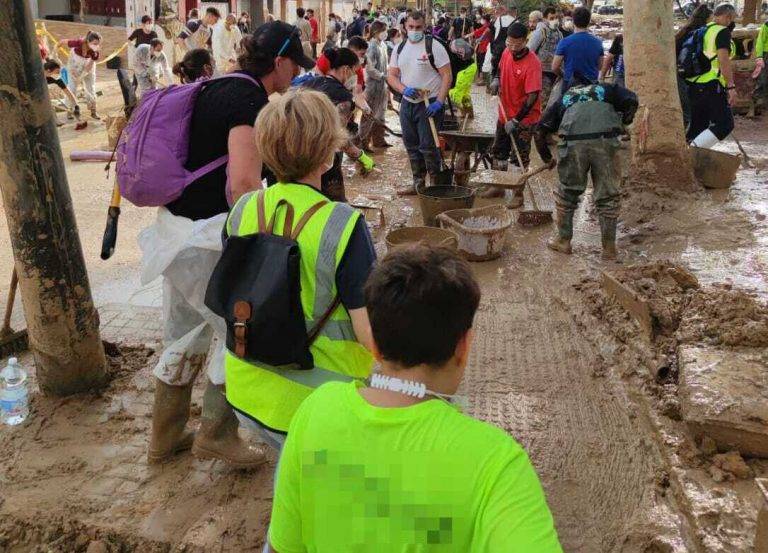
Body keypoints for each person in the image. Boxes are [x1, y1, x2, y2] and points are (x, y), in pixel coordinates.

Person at [265, 245, 563, 553]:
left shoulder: (315, 409)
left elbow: (280, 547)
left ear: (375, 346)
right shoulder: (497, 464)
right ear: (463, 347)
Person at [142, 21, 315, 468]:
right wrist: (258, 247)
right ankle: (216, 435)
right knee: (234, 330)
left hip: (174, 231)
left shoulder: (215, 84)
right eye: (295, 65)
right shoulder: (249, 100)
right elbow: (241, 186)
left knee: (183, 332)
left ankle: (165, 437)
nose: (296, 75)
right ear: (278, 61)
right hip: (207, 241)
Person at [223, 88, 376, 451]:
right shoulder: (342, 225)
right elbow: (372, 333)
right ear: (328, 154)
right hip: (319, 403)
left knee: (290, 466)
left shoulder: (242, 209)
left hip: (247, 392)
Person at [534, 74, 638, 260]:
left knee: (568, 193)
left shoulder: (565, 98)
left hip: (574, 145)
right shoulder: (607, 89)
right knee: (608, 195)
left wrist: (547, 158)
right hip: (605, 141)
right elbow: (632, 99)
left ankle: (563, 241)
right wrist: (624, 122)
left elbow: (540, 131)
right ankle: (609, 249)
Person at [387, 10, 452, 195]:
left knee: (428, 147)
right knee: (411, 145)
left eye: (418, 27)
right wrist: (403, 89)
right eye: (411, 27)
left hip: (429, 104)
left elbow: (447, 75)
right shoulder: (399, 48)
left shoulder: (434, 46)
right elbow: (391, 76)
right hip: (408, 103)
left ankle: (435, 186)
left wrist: (439, 101)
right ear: (405, 27)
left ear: (425, 27)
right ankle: (418, 183)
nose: (414, 30)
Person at [300, 48, 376, 201]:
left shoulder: (311, 82)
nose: (356, 77)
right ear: (346, 70)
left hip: (299, 153)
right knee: (335, 204)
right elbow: (338, 137)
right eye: (355, 72)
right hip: (324, 159)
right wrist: (360, 155)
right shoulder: (343, 97)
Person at [489, 22, 542, 206]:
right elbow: (501, 67)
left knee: (519, 157)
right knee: (499, 151)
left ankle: (518, 195)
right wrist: (496, 79)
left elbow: (533, 96)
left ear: (525, 41)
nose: (512, 48)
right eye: (509, 43)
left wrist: (517, 120)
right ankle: (498, 186)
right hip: (505, 111)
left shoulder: (533, 63)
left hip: (524, 118)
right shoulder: (506, 52)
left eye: (517, 44)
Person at [685, 4, 737, 148]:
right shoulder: (722, 31)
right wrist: (731, 86)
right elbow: (723, 60)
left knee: (698, 127)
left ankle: (685, 160)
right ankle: (692, 151)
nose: (731, 22)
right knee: (725, 124)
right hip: (711, 84)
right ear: (728, 16)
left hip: (693, 85)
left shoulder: (703, 30)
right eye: (731, 19)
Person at [675, 4, 714, 131]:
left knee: (687, 109)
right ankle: (687, 140)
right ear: (707, 18)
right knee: (690, 110)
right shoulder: (702, 33)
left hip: (680, 71)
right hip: (692, 74)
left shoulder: (685, 30)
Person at [552, 7, 603, 91]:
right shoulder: (598, 42)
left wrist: (563, 75)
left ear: (573, 21)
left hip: (570, 85)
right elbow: (600, 66)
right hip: (591, 85)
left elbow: (554, 67)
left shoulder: (564, 42)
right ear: (589, 21)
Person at [359, 20, 391, 150]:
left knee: (381, 113)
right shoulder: (371, 47)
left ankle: (379, 140)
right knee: (369, 114)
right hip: (373, 86)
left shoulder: (382, 45)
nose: (386, 33)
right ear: (376, 32)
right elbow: (370, 69)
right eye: (384, 31)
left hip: (383, 85)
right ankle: (363, 143)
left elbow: (386, 64)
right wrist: (383, 76)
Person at [58, 31, 101, 120]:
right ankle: (69, 110)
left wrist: (82, 76)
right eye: (94, 43)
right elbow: (63, 41)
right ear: (88, 41)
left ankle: (93, 111)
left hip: (88, 67)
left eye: (98, 44)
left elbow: (89, 66)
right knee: (72, 89)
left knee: (91, 89)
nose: (96, 46)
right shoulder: (78, 43)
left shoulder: (95, 52)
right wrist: (55, 49)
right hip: (74, 65)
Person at [527, 7, 562, 108]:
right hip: (541, 72)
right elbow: (529, 50)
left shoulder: (559, 33)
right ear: (545, 19)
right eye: (551, 18)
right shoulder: (540, 32)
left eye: (556, 18)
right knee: (541, 101)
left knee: (548, 102)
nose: (554, 20)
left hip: (554, 72)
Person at [488, 3, 519, 81]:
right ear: (515, 12)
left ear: (508, 11)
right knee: (505, 68)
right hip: (509, 49)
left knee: (494, 67)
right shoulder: (516, 22)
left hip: (497, 48)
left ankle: (493, 83)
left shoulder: (499, 19)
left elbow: (494, 30)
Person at [754, 20, 768, 104]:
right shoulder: (766, 25)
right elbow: (760, 41)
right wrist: (759, 57)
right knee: (763, 80)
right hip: (766, 55)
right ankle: (757, 102)